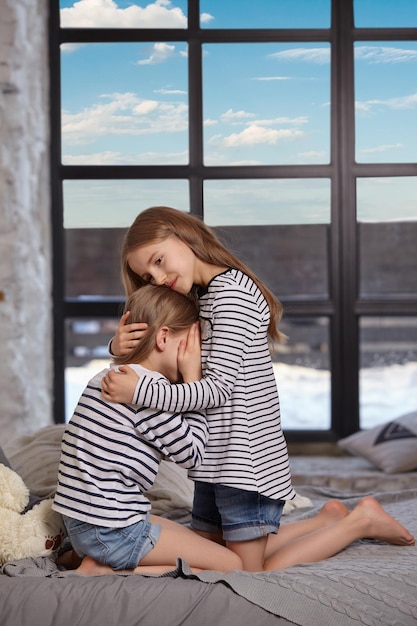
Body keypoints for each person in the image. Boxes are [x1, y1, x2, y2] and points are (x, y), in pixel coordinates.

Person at [102, 206, 415, 572]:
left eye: (158, 260)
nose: (157, 277)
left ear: (185, 237)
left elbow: (216, 390)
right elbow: (173, 369)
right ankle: (324, 520)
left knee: (248, 570)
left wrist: (138, 391)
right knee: (211, 553)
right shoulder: (202, 298)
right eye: (147, 275)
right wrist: (119, 349)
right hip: (213, 464)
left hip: (244, 464)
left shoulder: (233, 296)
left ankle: (357, 522)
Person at [53, 284, 243, 576]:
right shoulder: (148, 392)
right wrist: (194, 381)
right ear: (165, 337)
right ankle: (104, 569)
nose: (198, 356)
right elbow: (192, 455)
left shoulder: (108, 376)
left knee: (183, 534)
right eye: (192, 345)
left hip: (81, 522)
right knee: (232, 564)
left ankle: (86, 554)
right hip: (112, 530)